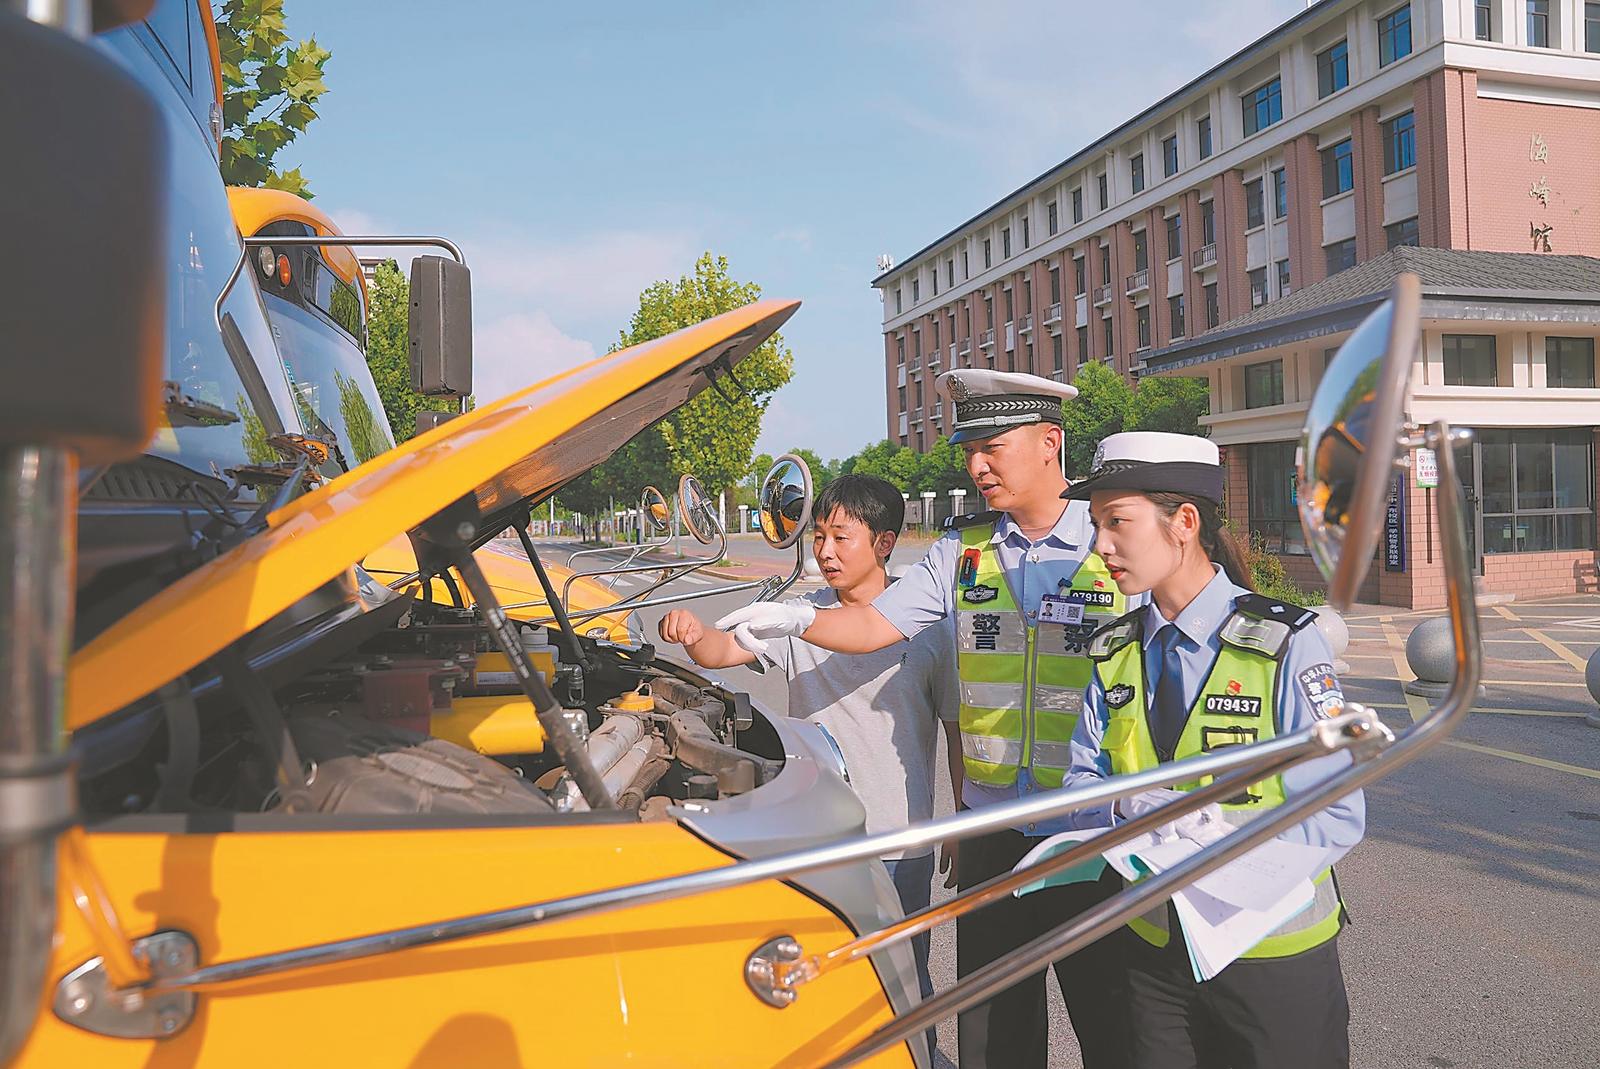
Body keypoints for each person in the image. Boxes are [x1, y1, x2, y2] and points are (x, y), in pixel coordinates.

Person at [718, 370, 1137, 1069]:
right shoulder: (960, 551)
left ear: (1049, 442)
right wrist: (797, 619)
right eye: (969, 450)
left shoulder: (1113, 538)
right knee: (994, 1036)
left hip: (1094, 827)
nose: (977, 466)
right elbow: (874, 625)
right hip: (993, 827)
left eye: (991, 447)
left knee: (1114, 1027)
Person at [1062, 430, 1365, 1069]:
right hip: (1155, 951)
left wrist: (1222, 838)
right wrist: (1121, 809)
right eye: (1096, 525)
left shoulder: (1285, 643)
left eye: (1117, 522)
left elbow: (1337, 811)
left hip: (1271, 952)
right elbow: (1081, 781)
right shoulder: (1113, 651)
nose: (1100, 546)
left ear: (1184, 523)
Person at [657, 474, 954, 1009]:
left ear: (884, 543)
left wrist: (958, 825)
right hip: (816, 832)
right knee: (821, 978)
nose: (825, 551)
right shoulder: (798, 615)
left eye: (841, 538)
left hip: (897, 840)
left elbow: (955, 728)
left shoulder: (928, 628)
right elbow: (725, 651)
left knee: (904, 981)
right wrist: (695, 635)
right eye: (819, 536)